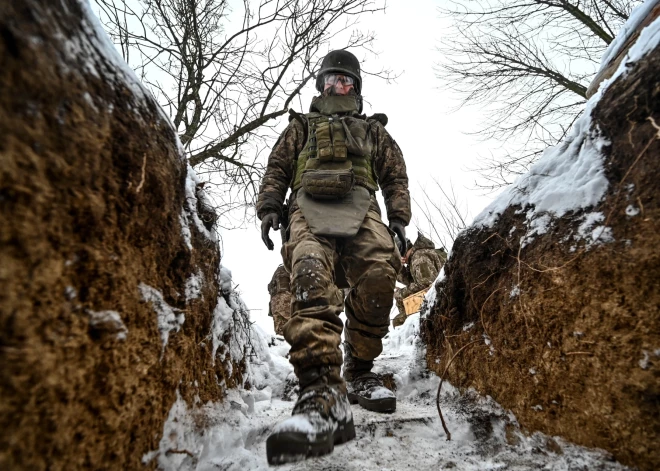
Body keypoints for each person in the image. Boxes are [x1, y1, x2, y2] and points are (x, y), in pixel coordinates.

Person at [256, 49, 410, 464]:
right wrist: (270, 207)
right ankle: (323, 393)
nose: (337, 86)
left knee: (381, 272)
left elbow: (394, 174)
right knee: (308, 271)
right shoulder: (300, 128)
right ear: (321, 84)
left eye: (345, 81)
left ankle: (359, 370)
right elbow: (277, 168)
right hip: (307, 207)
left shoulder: (373, 131)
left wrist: (399, 218)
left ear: (356, 88)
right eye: (331, 79)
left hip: (363, 208)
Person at [393, 233, 445, 328]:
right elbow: (410, 281)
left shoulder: (419, 256)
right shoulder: (415, 257)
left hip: (441, 297)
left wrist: (401, 292)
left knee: (399, 321)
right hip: (436, 295)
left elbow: (425, 283)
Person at [268, 264, 292, 336]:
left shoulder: (278, 272)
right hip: (286, 303)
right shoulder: (289, 268)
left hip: (275, 307)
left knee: (281, 332)